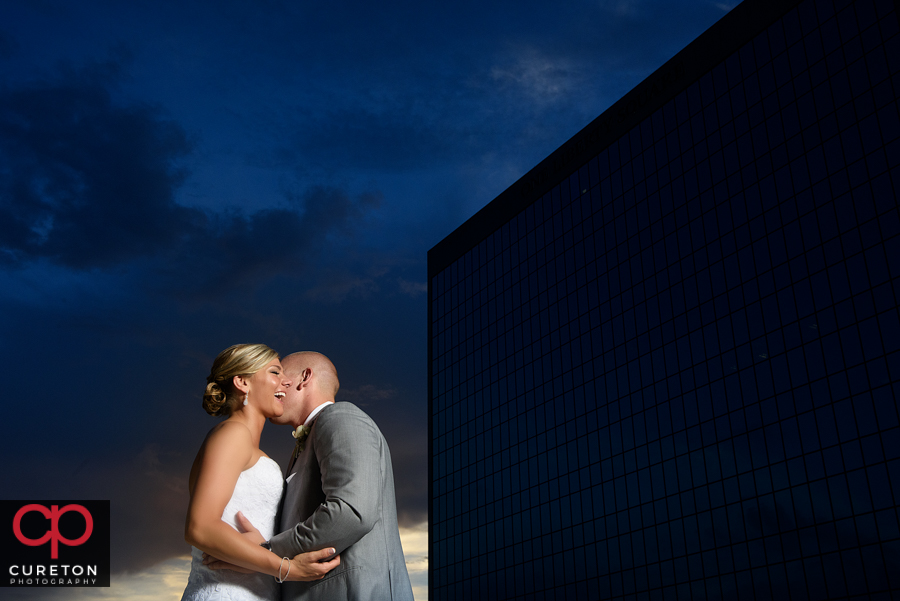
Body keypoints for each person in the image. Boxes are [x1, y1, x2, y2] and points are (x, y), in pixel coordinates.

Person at [206, 351, 414, 600]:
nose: (276, 384)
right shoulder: (303, 447)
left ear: (305, 378)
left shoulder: (340, 417)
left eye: (281, 374)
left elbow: (351, 512)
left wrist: (268, 551)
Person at [180, 344, 340, 601]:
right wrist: (288, 568)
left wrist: (263, 548)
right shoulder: (232, 434)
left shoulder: (241, 440)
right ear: (243, 382)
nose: (285, 382)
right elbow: (200, 527)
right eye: (275, 372)